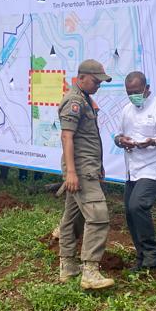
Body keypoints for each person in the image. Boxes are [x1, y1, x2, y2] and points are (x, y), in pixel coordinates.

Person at [115, 71, 156, 273]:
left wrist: (153, 141)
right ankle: (141, 257)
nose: (133, 95)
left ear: (146, 88)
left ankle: (151, 256)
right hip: (133, 169)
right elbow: (119, 136)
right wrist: (121, 141)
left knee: (138, 205)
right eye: (129, 92)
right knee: (129, 210)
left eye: (136, 91)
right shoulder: (127, 110)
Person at [58, 59, 114, 290]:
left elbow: (87, 138)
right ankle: (90, 271)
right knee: (98, 215)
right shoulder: (74, 101)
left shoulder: (85, 100)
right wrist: (72, 172)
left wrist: (98, 165)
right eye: (96, 80)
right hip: (80, 171)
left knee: (72, 218)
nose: (99, 85)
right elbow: (67, 137)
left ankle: (68, 266)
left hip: (87, 168)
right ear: (81, 78)